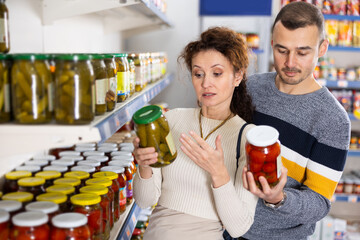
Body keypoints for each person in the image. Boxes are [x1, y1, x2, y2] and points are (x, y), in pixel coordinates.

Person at [224, 2, 350, 240]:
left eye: (302, 52)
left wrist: (278, 198)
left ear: (322, 48)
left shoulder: (333, 119)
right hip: (226, 227)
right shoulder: (250, 88)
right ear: (272, 44)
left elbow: (319, 203)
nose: (290, 63)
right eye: (282, 50)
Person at [133, 27, 259, 240]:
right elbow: (145, 201)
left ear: (238, 76)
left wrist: (218, 172)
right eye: (198, 73)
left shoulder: (247, 137)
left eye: (217, 73)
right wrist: (144, 165)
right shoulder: (172, 119)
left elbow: (239, 227)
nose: (205, 83)